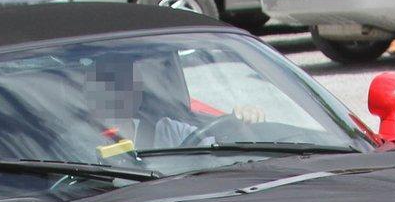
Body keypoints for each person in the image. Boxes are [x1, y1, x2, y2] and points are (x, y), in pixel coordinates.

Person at [81, 50, 263, 151]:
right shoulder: (75, 140)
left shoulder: (166, 130)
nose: (121, 90)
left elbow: (214, 145)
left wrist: (240, 120)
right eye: (109, 82)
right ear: (89, 92)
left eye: (127, 81)